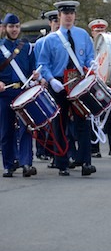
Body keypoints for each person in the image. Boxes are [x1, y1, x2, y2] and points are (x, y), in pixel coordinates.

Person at [38, 0, 96, 177]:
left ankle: (85, 161)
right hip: (59, 83)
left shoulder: (83, 35)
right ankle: (62, 162)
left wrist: (92, 66)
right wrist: (49, 79)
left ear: (74, 16)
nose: (69, 16)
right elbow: (43, 64)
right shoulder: (50, 40)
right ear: (59, 16)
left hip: (78, 82)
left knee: (83, 121)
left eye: (71, 13)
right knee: (60, 123)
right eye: (65, 14)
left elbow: (89, 56)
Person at [0, 13, 40, 177]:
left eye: (16, 26)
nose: (14, 29)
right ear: (4, 28)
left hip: (23, 92)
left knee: (26, 129)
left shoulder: (27, 47)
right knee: (6, 129)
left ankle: (26, 163)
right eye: (11, 26)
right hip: (5, 93)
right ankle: (8, 165)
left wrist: (36, 75)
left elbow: (33, 67)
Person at [88, 18, 111, 158]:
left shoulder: (109, 45)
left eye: (102, 30)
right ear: (92, 32)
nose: (99, 33)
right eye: (97, 31)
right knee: (94, 115)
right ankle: (94, 148)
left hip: (108, 85)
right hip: (94, 84)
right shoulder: (89, 45)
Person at [33, 10, 59, 162]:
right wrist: (42, 79)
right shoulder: (42, 42)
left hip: (61, 83)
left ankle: (57, 151)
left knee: (59, 120)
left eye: (58, 21)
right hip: (46, 82)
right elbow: (39, 63)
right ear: (50, 23)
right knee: (45, 118)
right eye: (54, 21)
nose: (56, 24)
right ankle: (42, 149)